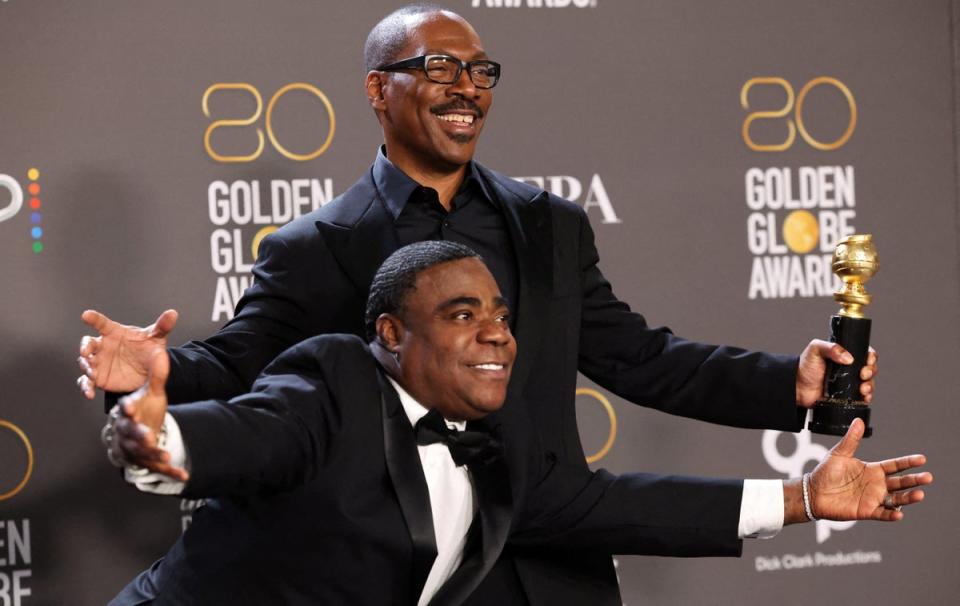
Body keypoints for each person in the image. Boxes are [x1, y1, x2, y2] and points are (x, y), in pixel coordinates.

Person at [78, 4, 880, 604]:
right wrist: (148, 373)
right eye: (436, 68)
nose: (465, 88)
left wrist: (790, 387)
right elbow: (240, 373)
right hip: (413, 570)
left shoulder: (552, 224)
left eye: (479, 71)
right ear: (376, 90)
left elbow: (636, 356)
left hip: (560, 556)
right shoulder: (317, 247)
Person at [103, 242, 928, 606]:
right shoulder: (334, 382)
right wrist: (157, 438)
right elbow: (245, 435)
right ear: (392, 335)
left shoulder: (497, 447)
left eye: (500, 314)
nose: (497, 332)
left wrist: (805, 501)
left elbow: (622, 506)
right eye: (463, 315)